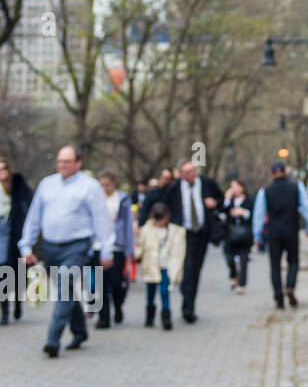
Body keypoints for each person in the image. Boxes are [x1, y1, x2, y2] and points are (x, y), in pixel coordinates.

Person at [18, 146, 113, 357]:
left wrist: (107, 249)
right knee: (66, 291)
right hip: (50, 247)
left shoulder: (90, 187)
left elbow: (101, 219)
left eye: (67, 162)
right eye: (60, 161)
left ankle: (53, 339)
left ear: (78, 163)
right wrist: (26, 245)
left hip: (77, 246)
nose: (62, 165)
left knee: (64, 284)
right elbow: (34, 217)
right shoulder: (47, 184)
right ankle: (80, 332)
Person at [163, 160, 221, 324]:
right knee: (187, 267)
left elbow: (221, 199)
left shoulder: (207, 183)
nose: (192, 175)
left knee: (196, 269)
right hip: (183, 233)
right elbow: (164, 204)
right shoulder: (174, 189)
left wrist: (215, 203)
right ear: (181, 175)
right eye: (187, 172)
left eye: (193, 171)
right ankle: (187, 304)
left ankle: (190, 304)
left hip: (202, 232)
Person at [251, 162, 308, 309]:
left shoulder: (265, 191)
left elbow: (259, 215)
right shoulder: (297, 187)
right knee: (293, 261)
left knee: (275, 266)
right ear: (285, 172)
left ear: (272, 173)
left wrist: (256, 236)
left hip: (274, 233)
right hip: (291, 230)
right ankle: (290, 287)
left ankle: (279, 298)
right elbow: (307, 208)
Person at [134, 202, 186, 330]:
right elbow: (140, 245)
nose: (159, 222)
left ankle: (166, 316)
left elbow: (179, 251)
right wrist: (136, 255)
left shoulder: (175, 231)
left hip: (166, 265)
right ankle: (150, 316)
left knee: (164, 291)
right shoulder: (147, 229)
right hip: (151, 264)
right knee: (150, 293)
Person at [95, 170, 134, 329]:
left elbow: (128, 226)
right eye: (102, 185)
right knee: (100, 284)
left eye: (108, 185)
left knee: (117, 283)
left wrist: (129, 251)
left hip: (117, 245)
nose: (105, 188)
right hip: (98, 245)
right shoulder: (95, 199)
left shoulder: (123, 199)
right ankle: (103, 317)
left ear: (114, 184)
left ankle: (118, 305)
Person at [0, 157, 34, 325]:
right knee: (2, 274)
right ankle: (4, 312)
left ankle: (18, 304)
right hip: (1, 237)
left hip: (16, 235)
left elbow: (27, 207)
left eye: (3, 168)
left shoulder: (18, 187)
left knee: (19, 274)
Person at [221, 179, 254, 294]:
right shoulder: (230, 201)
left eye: (235, 186)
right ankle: (234, 275)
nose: (233, 189)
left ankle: (242, 284)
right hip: (230, 234)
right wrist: (227, 199)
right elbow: (222, 212)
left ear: (241, 187)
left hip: (245, 234)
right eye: (231, 187)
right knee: (228, 256)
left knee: (244, 259)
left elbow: (254, 215)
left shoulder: (249, 200)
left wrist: (243, 212)